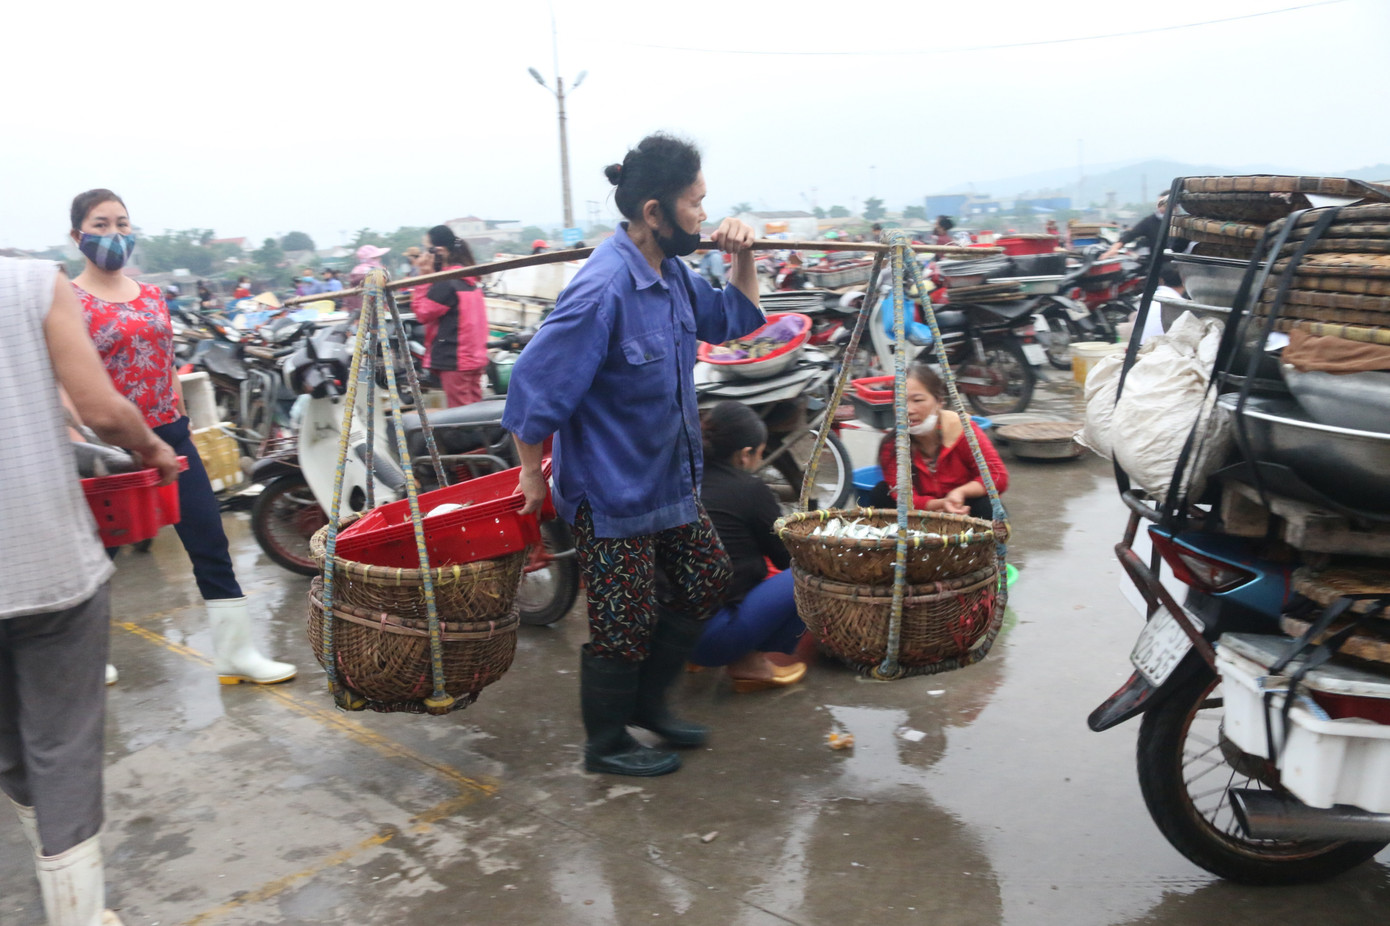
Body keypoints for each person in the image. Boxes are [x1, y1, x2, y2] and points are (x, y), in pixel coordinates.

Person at [502, 133, 765, 778]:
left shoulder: (672, 273)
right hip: (612, 493)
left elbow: (739, 316)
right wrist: (532, 477)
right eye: (696, 204)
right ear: (654, 212)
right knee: (624, 622)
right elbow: (533, 388)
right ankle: (606, 743)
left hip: (669, 484)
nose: (705, 215)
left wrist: (744, 255)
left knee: (706, 579)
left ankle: (651, 704)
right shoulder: (602, 291)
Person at [2, 255, 180, 926]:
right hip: (44, 564)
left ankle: (56, 875)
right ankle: (76, 912)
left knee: (9, 743)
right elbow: (104, 412)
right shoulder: (29, 283)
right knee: (62, 746)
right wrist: (152, 451)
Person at [67, 189, 296, 687]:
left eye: (122, 224)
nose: (114, 234)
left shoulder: (151, 295)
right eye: (101, 224)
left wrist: (181, 418)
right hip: (109, 444)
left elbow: (168, 360)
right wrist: (76, 432)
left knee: (209, 539)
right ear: (76, 235)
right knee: (99, 554)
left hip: (170, 434)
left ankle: (236, 654)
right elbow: (63, 378)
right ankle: (83, 657)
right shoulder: (67, 301)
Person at [690, 402, 807, 690]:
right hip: (711, 638)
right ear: (745, 455)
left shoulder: (682, 480)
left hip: (661, 635)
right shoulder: (749, 489)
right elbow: (786, 558)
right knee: (809, 575)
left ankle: (691, 660)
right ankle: (749, 663)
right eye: (759, 453)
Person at [871, 364, 1008, 521]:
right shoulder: (892, 446)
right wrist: (939, 505)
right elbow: (903, 496)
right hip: (921, 515)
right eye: (899, 402)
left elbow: (997, 476)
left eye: (917, 400)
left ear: (939, 401)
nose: (908, 410)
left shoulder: (964, 431)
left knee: (989, 505)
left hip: (964, 509)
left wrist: (960, 493)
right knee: (880, 493)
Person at [410, 226, 488, 407]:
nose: (423, 254)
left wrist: (423, 277)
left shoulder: (447, 283)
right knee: (475, 410)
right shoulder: (468, 277)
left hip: (457, 360)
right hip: (473, 357)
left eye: (426, 249)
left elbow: (422, 313)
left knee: (461, 415)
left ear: (439, 251)